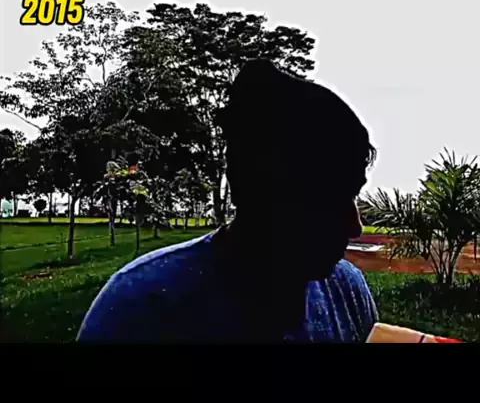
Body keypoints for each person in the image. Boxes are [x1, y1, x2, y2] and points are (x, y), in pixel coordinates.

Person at [77, 58, 378, 343]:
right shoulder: (141, 308)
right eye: (330, 201)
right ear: (267, 199)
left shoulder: (347, 291)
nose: (355, 226)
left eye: (352, 195)